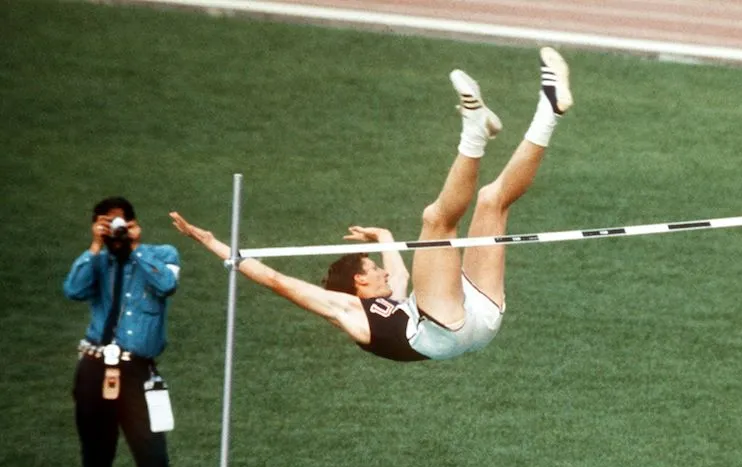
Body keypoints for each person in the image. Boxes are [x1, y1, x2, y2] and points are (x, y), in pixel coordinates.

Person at [170, 47, 574, 362]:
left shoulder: (393, 297)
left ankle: (548, 109)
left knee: (493, 200)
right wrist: (220, 247)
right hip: (445, 326)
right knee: (436, 220)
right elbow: (278, 281)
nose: (383, 271)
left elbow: (398, 265)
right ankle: (473, 131)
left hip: (476, 320)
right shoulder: (348, 310)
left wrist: (383, 236)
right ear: (358, 284)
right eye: (373, 269)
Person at [64, 196, 180, 467]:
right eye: (106, 222)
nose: (114, 229)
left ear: (132, 222)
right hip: (94, 367)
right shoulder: (97, 260)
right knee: (96, 457)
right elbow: (73, 290)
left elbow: (167, 284)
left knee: (152, 455)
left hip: (138, 371)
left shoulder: (161, 255)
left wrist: (136, 247)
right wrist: (95, 246)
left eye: (119, 223)